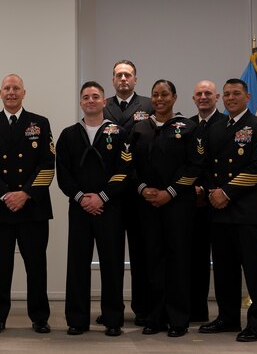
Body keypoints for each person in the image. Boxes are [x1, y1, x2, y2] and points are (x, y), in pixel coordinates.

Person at [0, 74, 55, 334]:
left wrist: (25, 194)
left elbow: (47, 165)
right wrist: (5, 195)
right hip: (0, 208)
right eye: (7, 88)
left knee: (36, 265)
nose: (11, 92)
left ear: (24, 92)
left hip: (33, 208)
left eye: (16, 88)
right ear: (0, 93)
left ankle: (40, 317)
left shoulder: (40, 123)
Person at [127, 80, 204, 337]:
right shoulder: (139, 128)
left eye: (165, 95)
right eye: (155, 95)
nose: (160, 99)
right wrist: (142, 189)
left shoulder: (189, 128)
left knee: (178, 261)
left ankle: (178, 319)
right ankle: (155, 316)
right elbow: (129, 167)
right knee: (152, 261)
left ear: (174, 97)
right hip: (147, 205)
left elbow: (194, 167)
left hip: (178, 205)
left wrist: (169, 192)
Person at [199, 78, 257, 342]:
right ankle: (228, 317)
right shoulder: (216, 127)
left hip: (246, 210)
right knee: (224, 268)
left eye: (236, 94)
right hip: (218, 209)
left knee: (253, 268)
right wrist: (212, 192)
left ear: (247, 97)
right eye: (227, 94)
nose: (231, 98)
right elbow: (206, 166)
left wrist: (226, 192)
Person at [56, 81, 130, 336]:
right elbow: (62, 174)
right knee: (77, 264)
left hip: (109, 208)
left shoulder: (119, 133)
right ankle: (77, 319)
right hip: (79, 208)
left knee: (112, 264)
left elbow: (124, 171)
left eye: (95, 96)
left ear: (104, 101)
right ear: (80, 102)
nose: (90, 100)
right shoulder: (68, 134)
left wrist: (102, 197)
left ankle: (113, 319)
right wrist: (81, 198)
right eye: (85, 97)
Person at [101, 60, 153, 326]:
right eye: (118, 75)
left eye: (128, 75)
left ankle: (142, 308)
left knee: (141, 252)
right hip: (110, 190)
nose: (123, 79)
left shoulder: (149, 105)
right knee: (111, 254)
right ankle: (112, 308)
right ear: (112, 80)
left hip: (138, 190)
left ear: (135, 79)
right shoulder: (102, 104)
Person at [188, 80, 227, 322]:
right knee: (195, 259)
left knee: (223, 261)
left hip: (220, 200)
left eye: (208, 94)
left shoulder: (226, 124)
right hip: (193, 203)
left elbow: (221, 164)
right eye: (199, 94)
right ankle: (197, 310)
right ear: (193, 98)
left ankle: (225, 314)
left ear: (217, 97)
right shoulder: (188, 125)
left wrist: (206, 188)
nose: (203, 97)